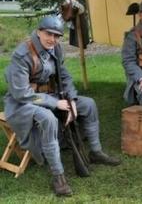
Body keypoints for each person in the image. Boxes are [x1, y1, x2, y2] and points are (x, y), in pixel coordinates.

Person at [3, 16, 121, 196]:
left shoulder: (56, 49)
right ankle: (58, 176)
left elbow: (64, 77)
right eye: (48, 34)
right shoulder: (23, 54)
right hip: (22, 103)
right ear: (39, 32)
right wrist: (55, 102)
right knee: (48, 118)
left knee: (88, 104)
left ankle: (96, 152)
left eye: (57, 35)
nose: (53, 39)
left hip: (50, 95)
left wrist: (72, 100)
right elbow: (21, 93)